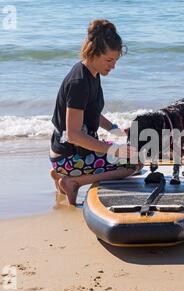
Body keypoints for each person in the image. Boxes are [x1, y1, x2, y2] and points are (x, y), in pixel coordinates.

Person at [49, 19, 141, 205]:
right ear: (93, 53)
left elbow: (91, 113)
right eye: (109, 60)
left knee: (132, 153)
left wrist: (115, 130)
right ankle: (73, 181)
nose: (113, 66)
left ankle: (62, 174)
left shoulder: (92, 73)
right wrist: (115, 149)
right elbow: (73, 135)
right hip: (69, 156)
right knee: (134, 164)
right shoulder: (79, 82)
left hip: (74, 153)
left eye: (115, 60)